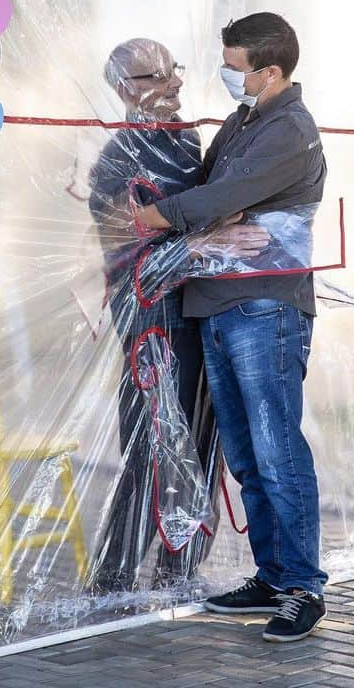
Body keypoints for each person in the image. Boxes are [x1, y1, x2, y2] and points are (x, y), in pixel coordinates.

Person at [132, 12, 328, 642]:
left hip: (265, 307)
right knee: (245, 453)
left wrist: (153, 219)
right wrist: (210, 219)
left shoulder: (289, 130)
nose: (224, 74)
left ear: (270, 71)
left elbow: (218, 198)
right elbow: (219, 191)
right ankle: (271, 575)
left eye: (234, 65)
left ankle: (302, 586)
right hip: (219, 301)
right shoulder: (245, 122)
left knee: (277, 449)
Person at [87, 37, 221, 591]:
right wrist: (192, 233)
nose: (175, 83)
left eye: (175, 71)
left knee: (202, 439)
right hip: (151, 321)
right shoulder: (117, 158)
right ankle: (114, 577)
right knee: (151, 443)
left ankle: (178, 570)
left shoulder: (187, 143)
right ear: (125, 90)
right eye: (157, 76)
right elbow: (123, 232)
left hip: (197, 314)